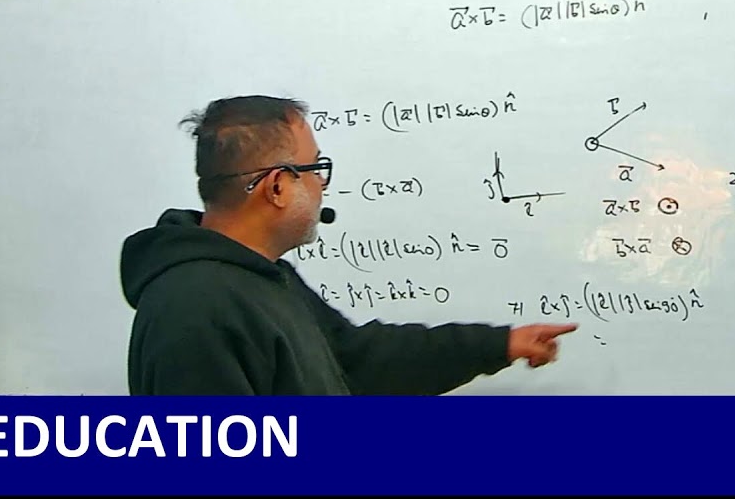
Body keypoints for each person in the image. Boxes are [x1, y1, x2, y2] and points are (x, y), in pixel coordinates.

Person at [120, 95, 577, 395]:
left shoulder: (261, 277)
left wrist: (498, 344)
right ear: (277, 187)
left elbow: (355, 359)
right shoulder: (197, 310)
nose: (321, 184)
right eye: (315, 168)